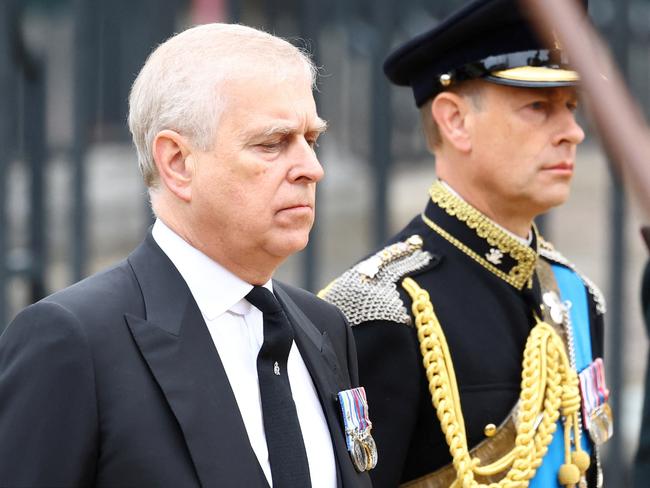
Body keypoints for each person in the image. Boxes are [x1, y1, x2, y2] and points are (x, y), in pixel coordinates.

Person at [0, 24, 373, 488]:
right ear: (177, 162)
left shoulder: (324, 326)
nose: (312, 169)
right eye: (272, 143)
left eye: (310, 140)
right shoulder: (73, 340)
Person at [320, 0, 612, 486]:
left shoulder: (576, 294)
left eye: (572, 108)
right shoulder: (379, 309)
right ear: (454, 121)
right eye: (539, 107)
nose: (573, 133)